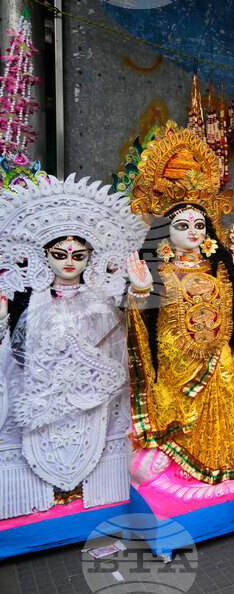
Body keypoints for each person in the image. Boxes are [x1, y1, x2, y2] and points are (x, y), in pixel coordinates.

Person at [127, 126, 234, 485]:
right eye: (181, 224)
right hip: (175, 364)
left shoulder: (220, 265)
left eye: (199, 224)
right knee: (167, 436)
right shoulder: (156, 269)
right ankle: (173, 462)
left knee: (231, 413)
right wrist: (140, 292)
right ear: (164, 229)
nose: (193, 231)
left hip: (217, 361)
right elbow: (138, 324)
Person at [0, 176, 147, 519]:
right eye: (60, 254)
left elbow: (127, 334)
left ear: (89, 259)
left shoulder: (101, 299)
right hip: (41, 390)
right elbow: (11, 352)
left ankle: (92, 487)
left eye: (79, 256)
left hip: (92, 392)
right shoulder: (28, 300)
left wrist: (137, 293)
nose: (69, 262)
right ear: (44, 255)